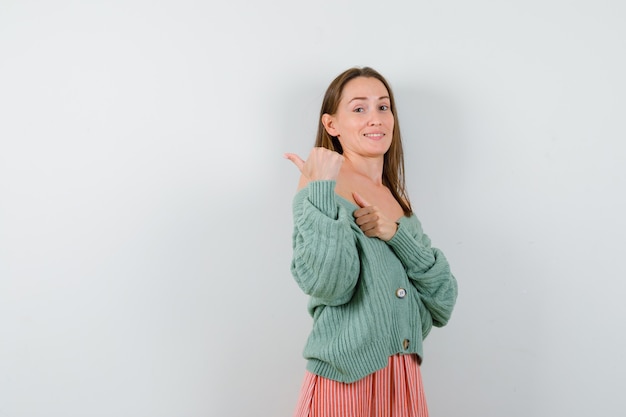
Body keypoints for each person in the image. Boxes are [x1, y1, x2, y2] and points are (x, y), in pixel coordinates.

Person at [284, 67, 458, 417]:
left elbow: (443, 300)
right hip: (347, 382)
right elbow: (328, 286)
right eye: (359, 108)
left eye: (383, 107)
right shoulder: (320, 188)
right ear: (332, 125)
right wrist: (319, 188)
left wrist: (394, 234)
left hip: (402, 379)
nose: (375, 119)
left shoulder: (396, 200)